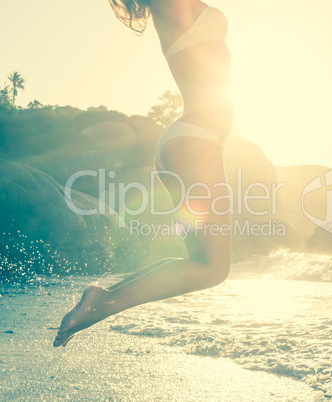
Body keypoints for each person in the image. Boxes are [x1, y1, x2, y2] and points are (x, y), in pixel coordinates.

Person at [54, 0, 233, 347]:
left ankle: (103, 298)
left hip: (193, 142)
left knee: (201, 264)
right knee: (212, 268)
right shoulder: (171, 5)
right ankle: (103, 301)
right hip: (194, 141)